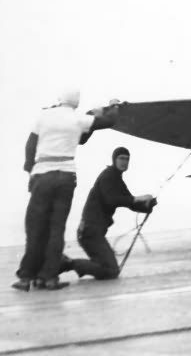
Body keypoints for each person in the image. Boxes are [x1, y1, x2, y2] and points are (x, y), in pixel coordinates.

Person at [13, 90, 121, 292]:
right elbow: (109, 121)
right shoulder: (78, 118)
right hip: (66, 177)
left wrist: (31, 173)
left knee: (35, 229)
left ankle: (26, 278)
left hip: (42, 175)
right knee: (56, 231)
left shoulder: (44, 116)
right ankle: (49, 278)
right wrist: (114, 105)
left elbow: (30, 147)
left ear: (59, 100)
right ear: (76, 103)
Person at [60, 147, 156, 281]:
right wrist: (137, 198)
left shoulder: (116, 179)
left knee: (108, 269)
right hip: (89, 232)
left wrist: (146, 207)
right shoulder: (108, 176)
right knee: (111, 271)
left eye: (127, 159)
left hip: (93, 232)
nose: (124, 162)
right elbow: (111, 199)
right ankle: (67, 263)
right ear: (114, 159)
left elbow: (129, 202)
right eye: (121, 158)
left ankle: (65, 264)